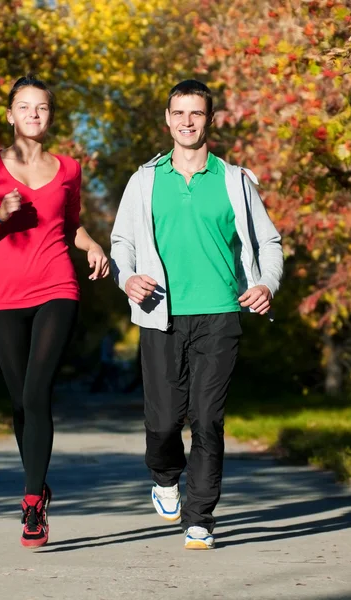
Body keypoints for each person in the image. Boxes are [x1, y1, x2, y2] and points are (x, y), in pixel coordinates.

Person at [110, 80, 283, 550]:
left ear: (210, 120)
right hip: (159, 314)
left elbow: (269, 242)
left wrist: (266, 283)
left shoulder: (234, 181)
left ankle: (201, 517)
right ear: (167, 119)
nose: (188, 122)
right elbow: (121, 243)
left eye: (197, 114)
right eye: (179, 113)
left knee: (208, 419)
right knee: (164, 420)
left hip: (221, 314)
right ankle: (165, 476)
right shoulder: (144, 180)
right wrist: (125, 278)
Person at [0, 75, 109, 548]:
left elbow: (69, 226)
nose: (34, 115)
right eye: (25, 107)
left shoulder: (68, 168)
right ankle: (38, 481)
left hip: (56, 286)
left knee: (38, 391)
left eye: (42, 108)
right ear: (10, 115)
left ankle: (30, 505)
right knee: (20, 401)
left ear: (50, 115)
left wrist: (92, 246)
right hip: (2, 295)